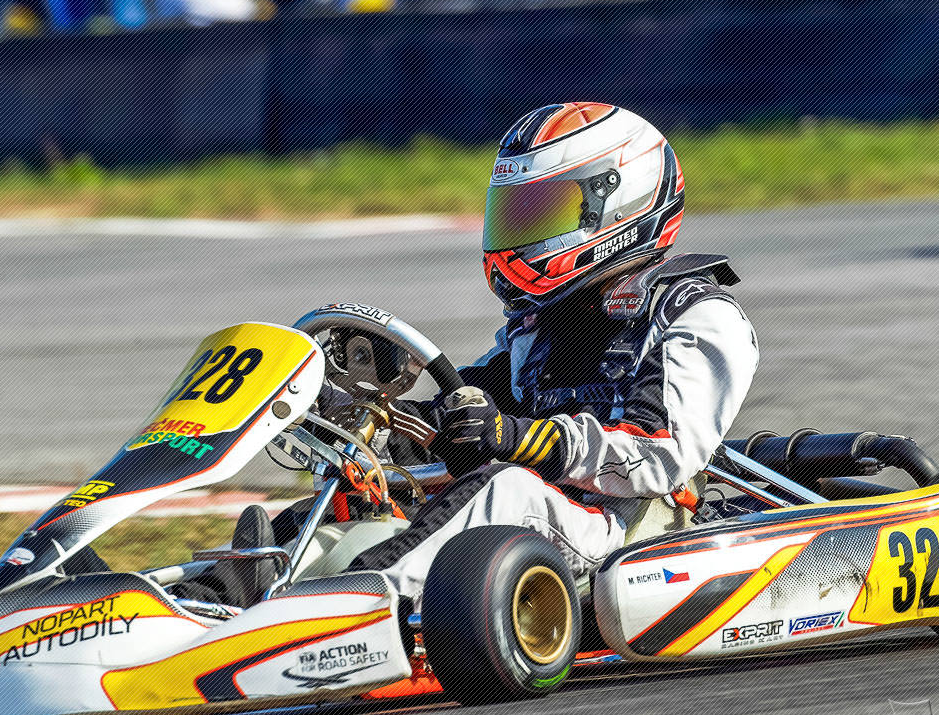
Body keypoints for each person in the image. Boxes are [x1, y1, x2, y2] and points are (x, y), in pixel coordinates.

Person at [210, 103, 760, 611]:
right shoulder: (542, 324)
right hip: (545, 520)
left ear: (617, 204)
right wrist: (365, 422)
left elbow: (660, 454)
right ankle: (205, 606)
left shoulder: (696, 314)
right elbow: (469, 412)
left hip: (632, 529)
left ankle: (337, 614)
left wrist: (516, 438)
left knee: (503, 487)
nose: (519, 234)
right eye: (515, 216)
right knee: (359, 505)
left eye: (542, 214)